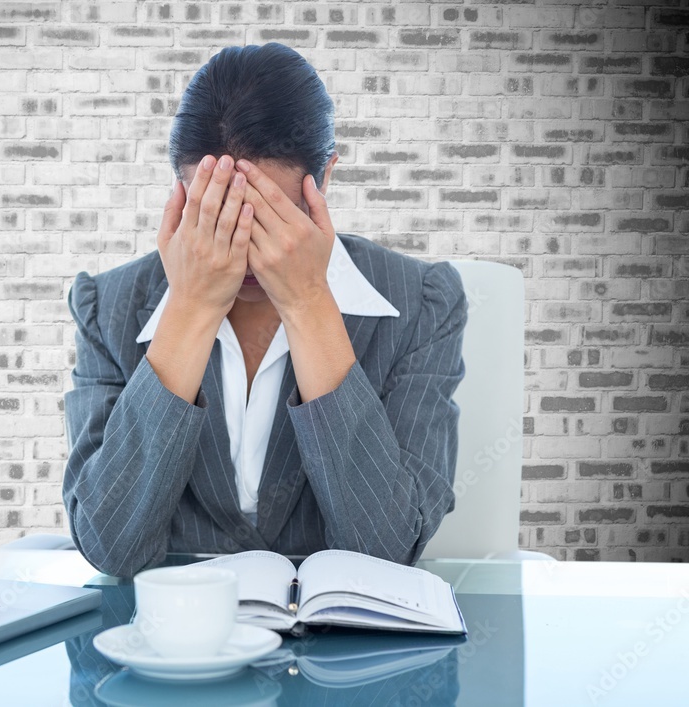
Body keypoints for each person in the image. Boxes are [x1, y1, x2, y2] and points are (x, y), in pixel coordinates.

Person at [61, 43, 468, 579]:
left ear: (323, 180)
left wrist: (308, 303)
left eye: (271, 214)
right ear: (182, 195)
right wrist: (190, 305)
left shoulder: (423, 304)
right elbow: (109, 547)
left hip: (341, 649)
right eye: (217, 211)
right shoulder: (108, 306)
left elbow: (385, 551)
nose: (243, 243)